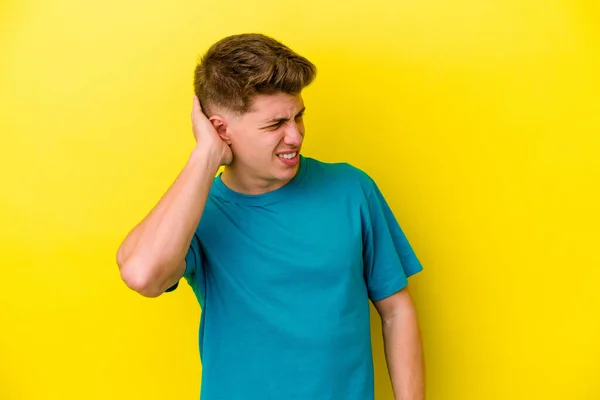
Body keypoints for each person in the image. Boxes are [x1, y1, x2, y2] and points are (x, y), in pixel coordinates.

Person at [116, 33, 425, 400]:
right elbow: (142, 275)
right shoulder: (198, 212)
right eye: (275, 124)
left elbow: (396, 310)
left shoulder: (351, 188)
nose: (295, 136)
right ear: (220, 130)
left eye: (299, 116)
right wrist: (205, 156)